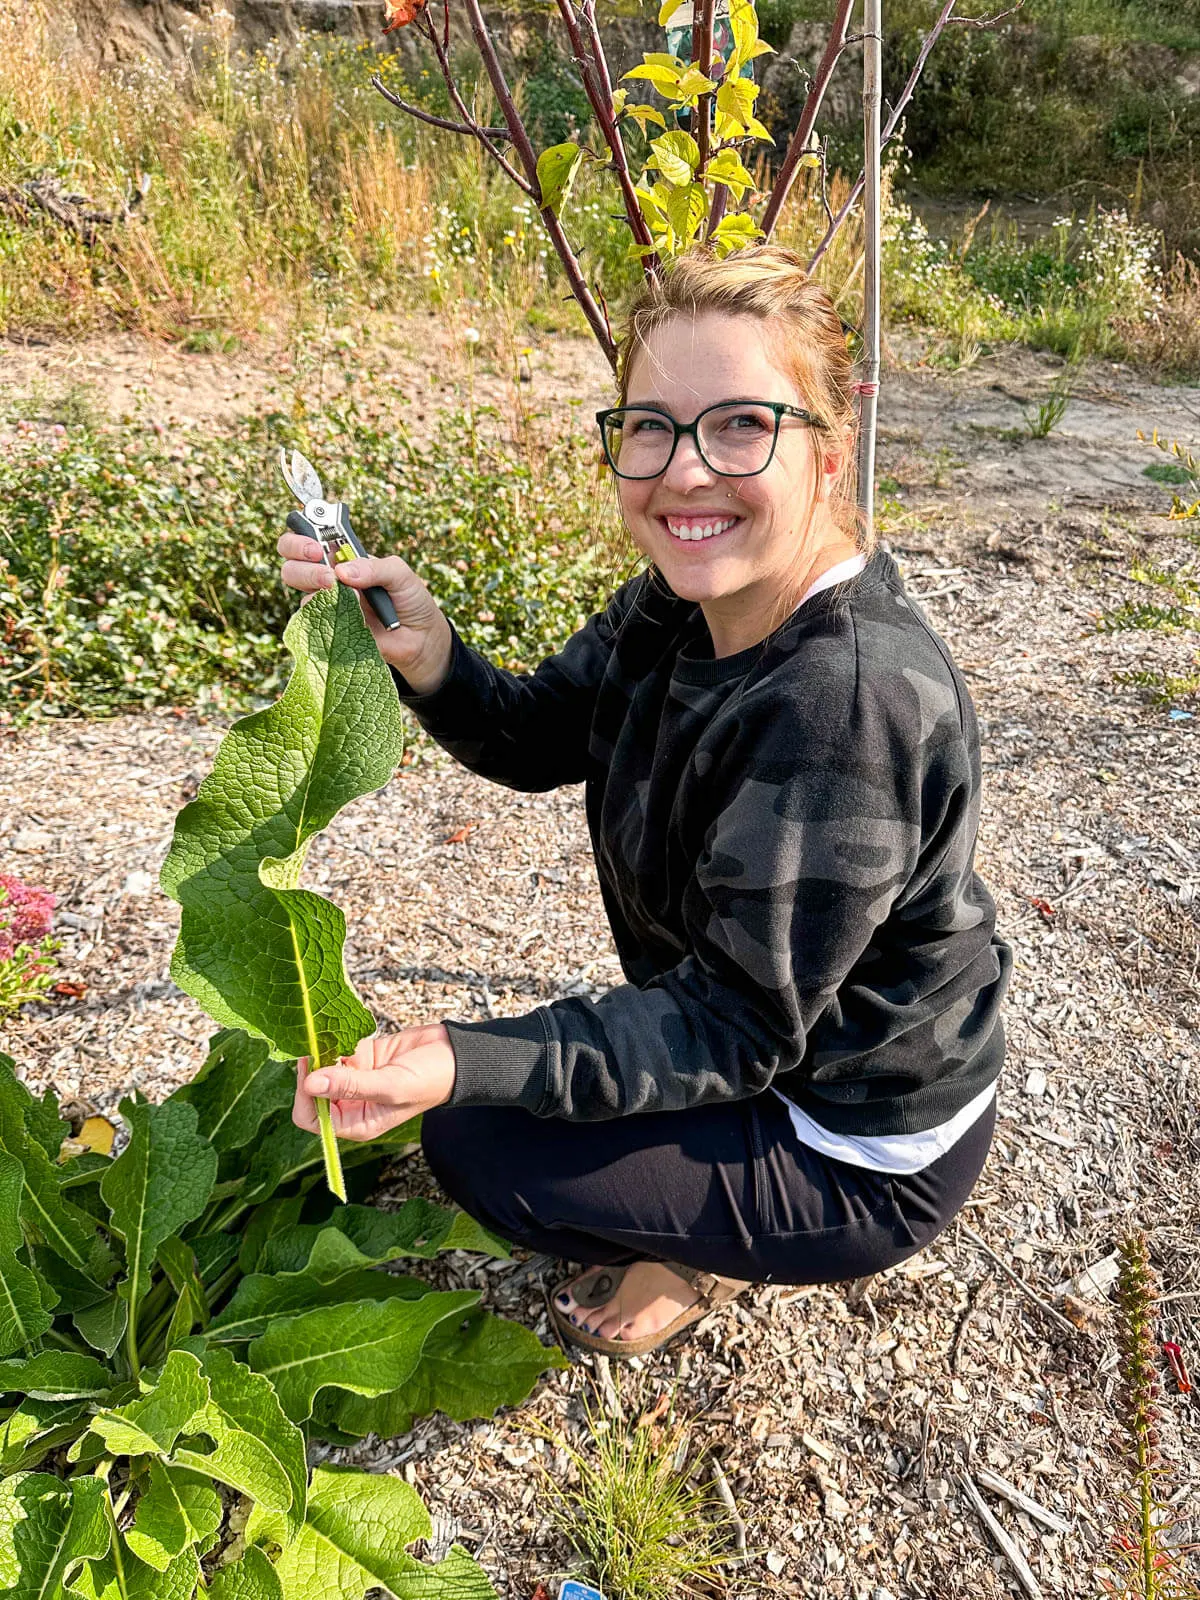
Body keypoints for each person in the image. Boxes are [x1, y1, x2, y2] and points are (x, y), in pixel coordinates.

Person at [278, 244, 1012, 1359]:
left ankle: (701, 1259)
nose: (683, 472)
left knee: (483, 1144)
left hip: (861, 1131)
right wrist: (432, 657)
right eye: (650, 426)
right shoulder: (676, 607)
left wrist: (463, 1054)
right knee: (501, 1095)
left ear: (829, 453)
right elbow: (535, 735)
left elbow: (734, 1020)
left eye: (740, 425)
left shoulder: (843, 702)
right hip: (763, 1031)